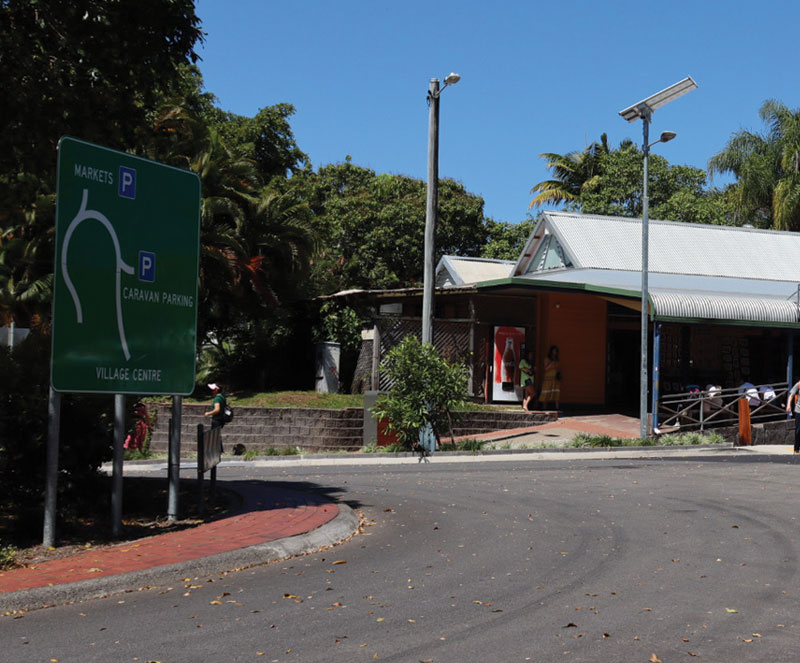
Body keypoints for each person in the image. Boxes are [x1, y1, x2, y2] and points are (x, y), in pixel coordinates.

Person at [540, 345, 561, 410]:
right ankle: (544, 407)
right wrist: (552, 363)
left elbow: (557, 368)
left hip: (555, 379)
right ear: (551, 351)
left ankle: (557, 408)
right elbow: (546, 368)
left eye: (556, 351)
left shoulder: (557, 359)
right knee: (546, 392)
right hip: (548, 379)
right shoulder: (547, 359)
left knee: (556, 392)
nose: (555, 352)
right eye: (554, 351)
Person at [786, 379, 800, 453]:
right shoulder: (798, 384)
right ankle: (796, 448)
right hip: (799, 410)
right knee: (798, 430)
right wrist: (788, 405)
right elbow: (791, 395)